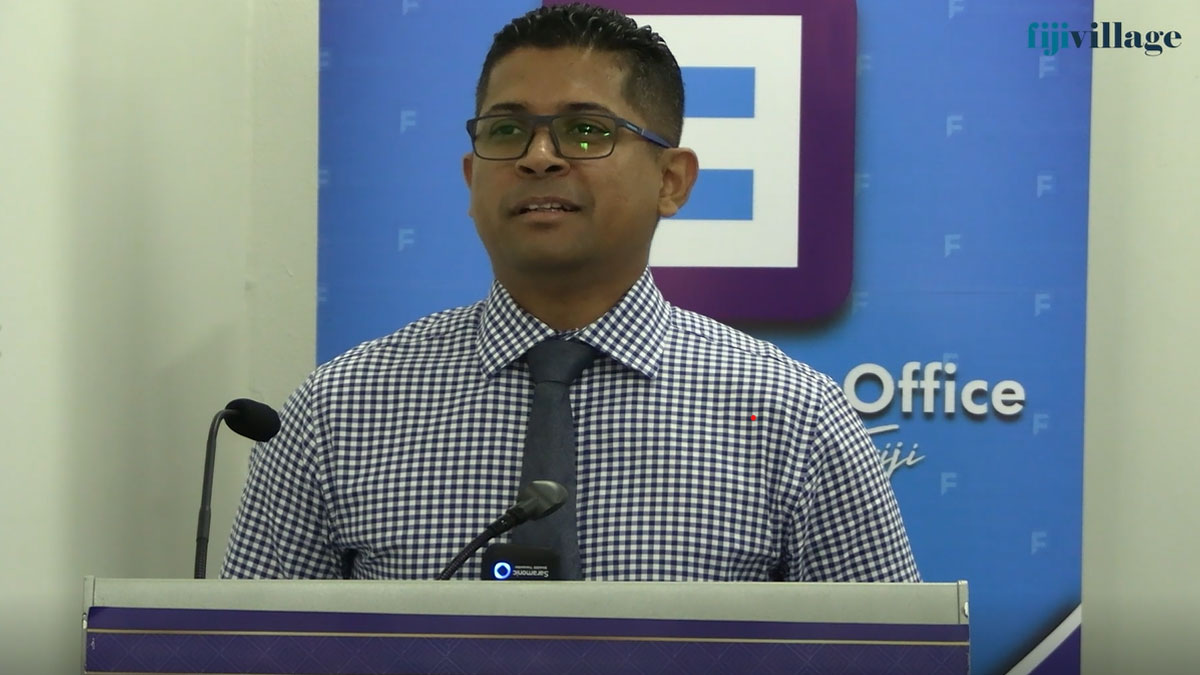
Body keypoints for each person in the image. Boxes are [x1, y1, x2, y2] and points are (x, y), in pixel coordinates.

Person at [221, 3, 920, 583]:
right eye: (506, 130)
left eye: (585, 131)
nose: (537, 157)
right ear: (471, 178)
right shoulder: (339, 411)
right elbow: (247, 653)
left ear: (671, 180)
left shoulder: (795, 418)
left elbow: (885, 656)